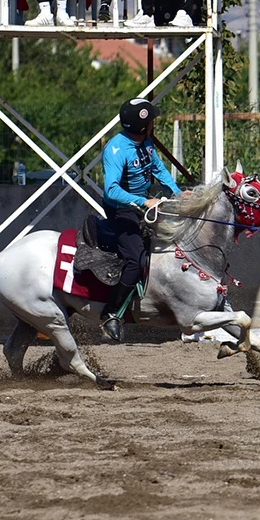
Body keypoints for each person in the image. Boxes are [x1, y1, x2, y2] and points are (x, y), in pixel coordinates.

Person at [99, 97, 182, 341]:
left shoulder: (146, 144)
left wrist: (177, 193)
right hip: (122, 210)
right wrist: (143, 202)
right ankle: (110, 315)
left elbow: (158, 169)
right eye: (152, 121)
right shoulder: (116, 149)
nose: (154, 124)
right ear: (142, 125)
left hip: (143, 205)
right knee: (135, 259)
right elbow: (111, 191)